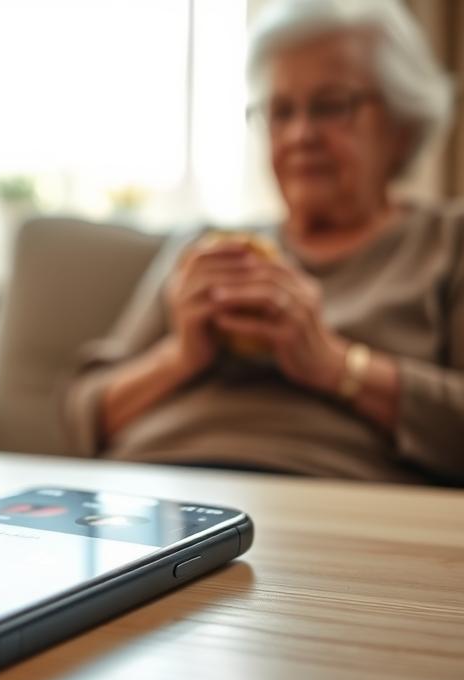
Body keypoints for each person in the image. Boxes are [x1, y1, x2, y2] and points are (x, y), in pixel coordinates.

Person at [62, 0, 464, 484]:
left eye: (331, 105)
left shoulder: (446, 241)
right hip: (150, 490)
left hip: (331, 501)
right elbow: (82, 416)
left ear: (402, 124)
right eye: (280, 111)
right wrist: (181, 355)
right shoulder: (208, 248)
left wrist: (339, 367)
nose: (300, 134)